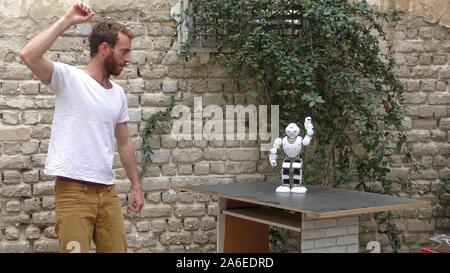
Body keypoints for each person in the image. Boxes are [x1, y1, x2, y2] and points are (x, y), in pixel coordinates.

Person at [19, 2, 144, 253]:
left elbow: (124, 142)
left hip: (107, 192)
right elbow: (28, 55)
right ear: (105, 49)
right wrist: (67, 20)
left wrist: (136, 186)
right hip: (73, 192)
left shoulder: (118, 94)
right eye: (125, 51)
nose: (129, 59)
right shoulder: (69, 79)